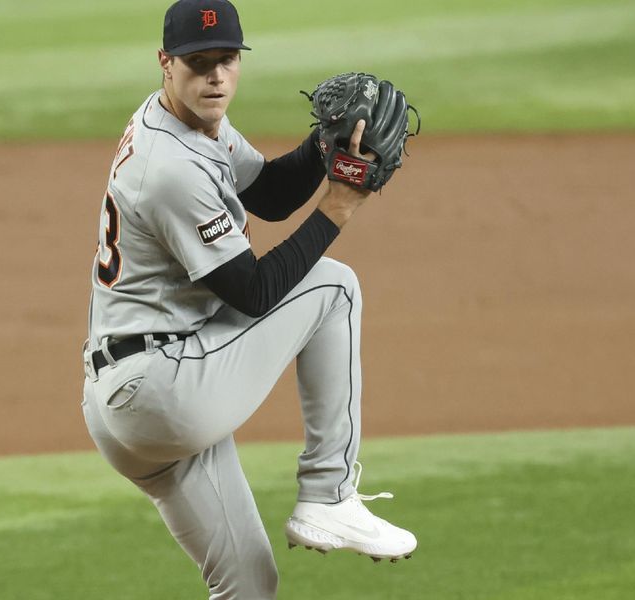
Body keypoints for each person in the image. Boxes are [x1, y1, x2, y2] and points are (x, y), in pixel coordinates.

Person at [81, 0, 417, 597]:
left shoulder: (189, 121)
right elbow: (254, 292)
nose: (215, 76)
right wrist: (340, 203)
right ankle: (328, 492)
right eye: (198, 62)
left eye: (227, 60)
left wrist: (324, 143)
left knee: (248, 582)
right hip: (165, 388)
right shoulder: (170, 167)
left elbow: (267, 194)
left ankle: (325, 500)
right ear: (166, 63)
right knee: (333, 288)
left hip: (127, 404)